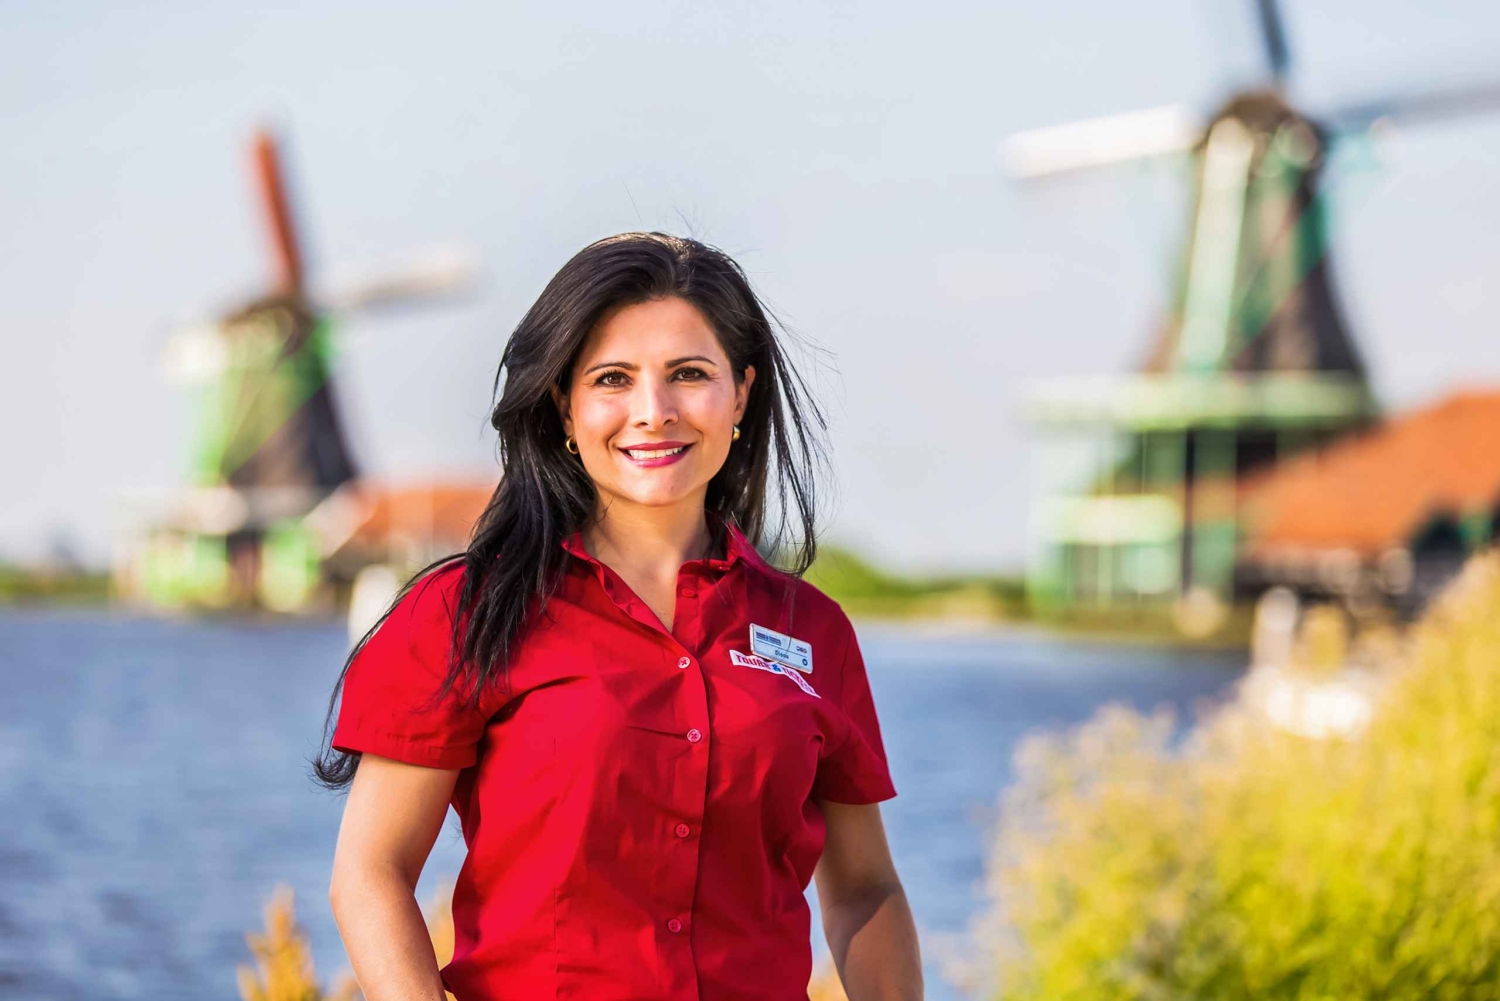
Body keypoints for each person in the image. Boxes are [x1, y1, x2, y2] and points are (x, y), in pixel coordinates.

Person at [314, 232, 922, 1000]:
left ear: (740, 393)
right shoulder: (466, 615)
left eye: (688, 375)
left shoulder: (815, 632)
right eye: (612, 378)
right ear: (564, 404)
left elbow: (866, 889)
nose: (653, 410)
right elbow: (370, 874)